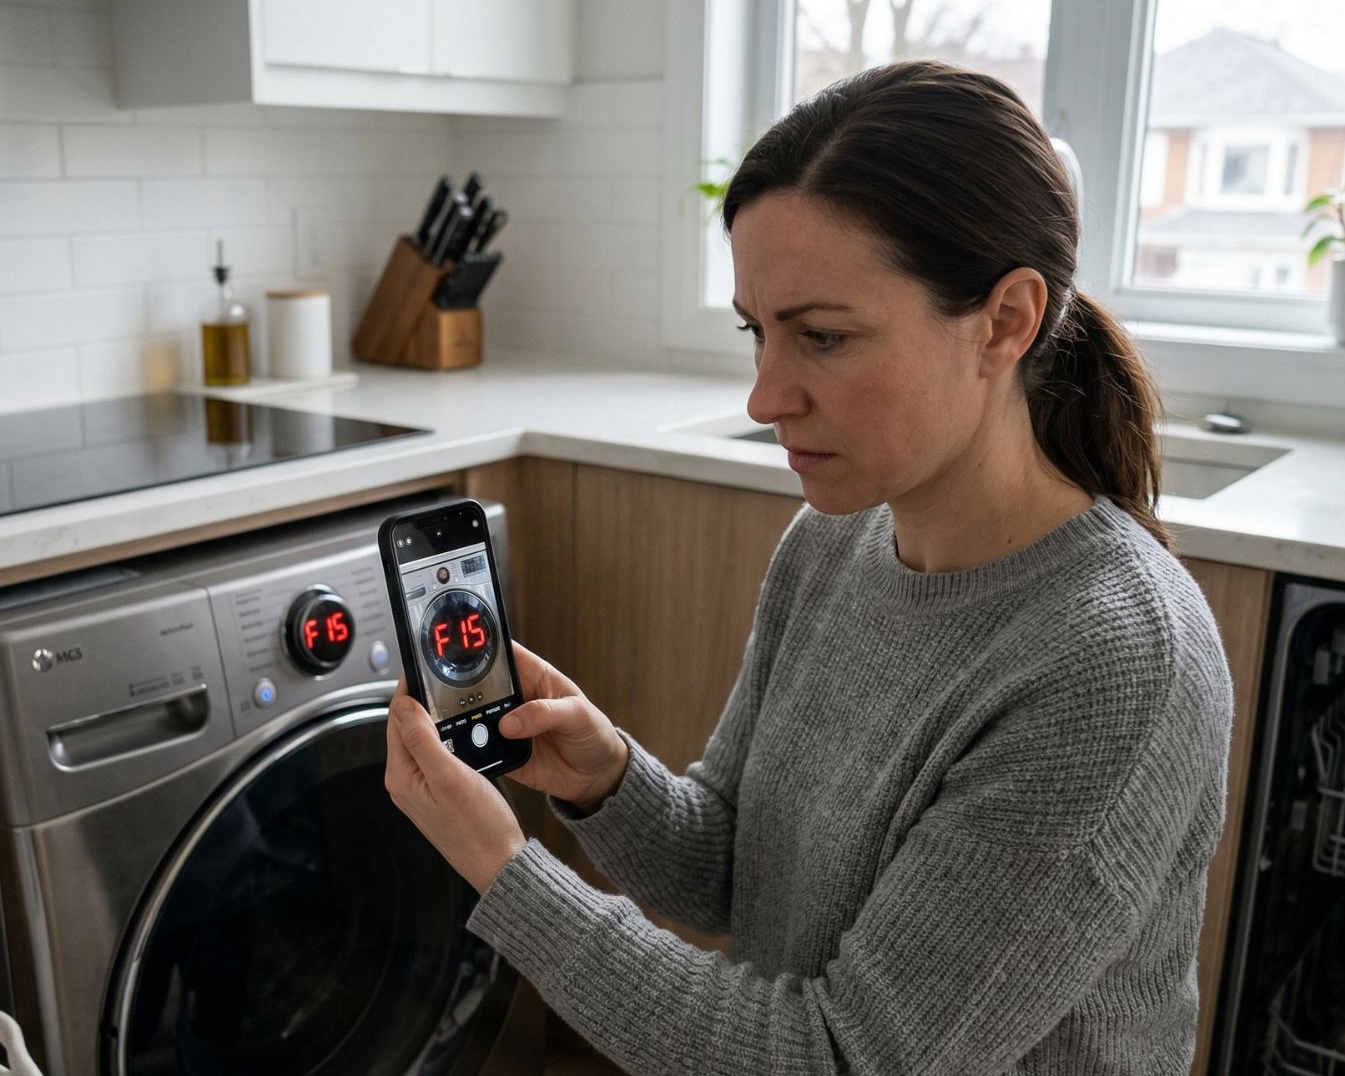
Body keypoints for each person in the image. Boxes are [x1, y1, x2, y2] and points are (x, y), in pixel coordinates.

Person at [384, 59, 1234, 1075]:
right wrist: (605, 777)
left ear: (1005, 321)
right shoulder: (834, 542)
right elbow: (730, 871)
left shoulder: (1112, 664)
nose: (765, 395)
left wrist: (501, 868)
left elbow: (839, 1057)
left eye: (823, 337)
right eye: (758, 332)